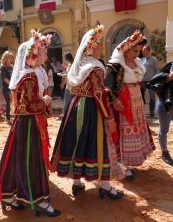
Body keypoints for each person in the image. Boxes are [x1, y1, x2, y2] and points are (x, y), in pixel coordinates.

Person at [0, 30, 61, 217]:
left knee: (17, 158)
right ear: (34, 55)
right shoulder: (29, 76)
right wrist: (45, 101)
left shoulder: (30, 73)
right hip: (29, 123)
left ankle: (8, 195)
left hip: (25, 124)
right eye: (43, 52)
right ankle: (38, 200)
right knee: (32, 161)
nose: (46, 55)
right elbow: (29, 105)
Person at [51, 24, 123, 199]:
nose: (102, 46)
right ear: (92, 47)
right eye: (99, 44)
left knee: (77, 142)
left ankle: (77, 183)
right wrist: (108, 117)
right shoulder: (95, 67)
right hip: (91, 109)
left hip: (75, 107)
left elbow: (79, 88)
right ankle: (105, 186)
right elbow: (97, 94)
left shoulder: (80, 65)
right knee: (98, 144)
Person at [105, 30, 155, 179]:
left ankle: (131, 160)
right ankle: (122, 164)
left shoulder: (138, 62)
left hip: (136, 101)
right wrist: (115, 101)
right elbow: (107, 87)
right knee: (123, 130)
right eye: (134, 51)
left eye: (138, 51)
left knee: (136, 128)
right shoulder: (115, 65)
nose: (137, 54)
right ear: (125, 50)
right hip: (123, 102)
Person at [140, 45, 159, 117]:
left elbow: (156, 71)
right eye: (142, 51)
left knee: (152, 97)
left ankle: (151, 111)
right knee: (142, 96)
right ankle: (142, 111)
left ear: (148, 51)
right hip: (143, 81)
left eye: (144, 50)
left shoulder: (154, 59)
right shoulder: (142, 60)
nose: (143, 52)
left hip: (151, 81)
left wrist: (155, 80)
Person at [0, 51, 15, 125]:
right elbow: (5, 79)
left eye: (12, 58)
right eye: (10, 58)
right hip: (6, 88)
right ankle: (8, 118)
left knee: (13, 102)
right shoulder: (3, 67)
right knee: (8, 103)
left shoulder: (11, 66)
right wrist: (12, 85)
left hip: (12, 87)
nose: (11, 60)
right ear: (5, 58)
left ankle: (12, 116)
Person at [58, 53, 74, 120]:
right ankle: (65, 114)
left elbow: (70, 75)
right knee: (68, 100)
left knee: (68, 101)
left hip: (71, 86)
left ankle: (64, 115)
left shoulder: (73, 65)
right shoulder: (70, 65)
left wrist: (64, 76)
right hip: (69, 85)